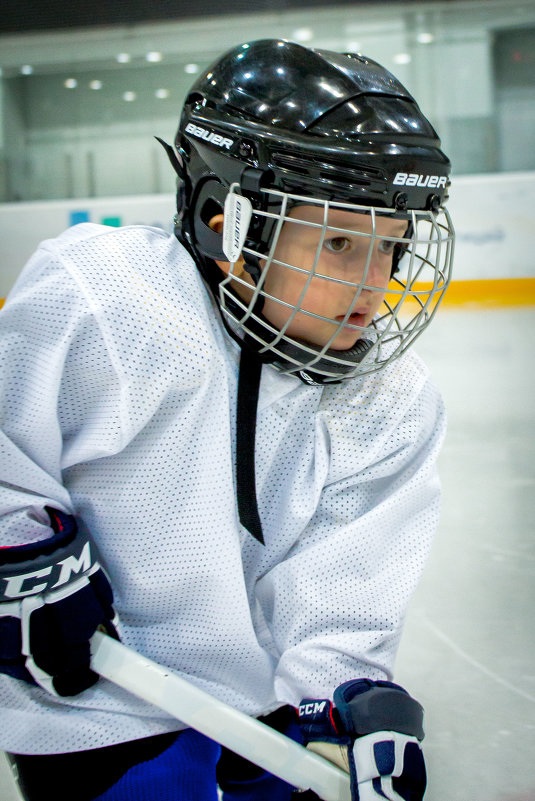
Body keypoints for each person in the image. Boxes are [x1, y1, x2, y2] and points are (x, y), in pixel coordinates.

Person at [0, 38, 454, 801]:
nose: (373, 285)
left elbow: (341, 589)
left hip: (269, 724)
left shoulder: (393, 396)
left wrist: (345, 697)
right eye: (339, 242)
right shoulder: (110, 301)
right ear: (223, 220)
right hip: (97, 713)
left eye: (392, 248)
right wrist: (18, 552)